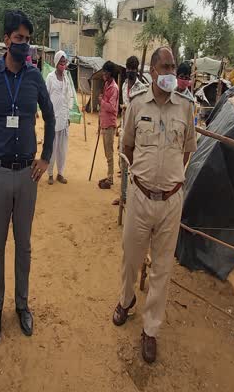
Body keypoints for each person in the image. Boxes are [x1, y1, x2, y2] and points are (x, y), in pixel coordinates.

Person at [0, 10, 56, 344]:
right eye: (18, 39)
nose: (23, 45)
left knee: (24, 245)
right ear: (5, 40)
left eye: (27, 39)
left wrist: (46, 157)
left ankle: (22, 305)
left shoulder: (34, 77)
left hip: (27, 175)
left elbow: (50, 117)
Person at [111, 46, 197, 364]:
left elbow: (187, 151)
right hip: (140, 197)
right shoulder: (136, 103)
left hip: (171, 200)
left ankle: (151, 329)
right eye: (166, 67)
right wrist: (145, 179)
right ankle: (127, 299)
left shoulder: (186, 107)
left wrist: (169, 180)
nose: (172, 73)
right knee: (131, 257)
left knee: (162, 267)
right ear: (152, 69)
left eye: (174, 67)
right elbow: (129, 147)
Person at [115, 56, 146, 206]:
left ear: (137, 70)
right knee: (123, 163)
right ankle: (123, 196)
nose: (130, 71)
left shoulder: (141, 89)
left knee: (134, 164)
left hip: (136, 133)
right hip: (124, 129)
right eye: (129, 69)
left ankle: (133, 198)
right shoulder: (124, 84)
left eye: (133, 69)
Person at [45, 50, 73, 185]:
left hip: (64, 118)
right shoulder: (50, 78)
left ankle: (60, 173)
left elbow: (69, 98)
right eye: (61, 62)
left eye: (64, 62)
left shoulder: (67, 78)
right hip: (53, 119)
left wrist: (68, 116)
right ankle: (50, 174)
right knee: (51, 148)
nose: (63, 65)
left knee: (62, 148)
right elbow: (45, 97)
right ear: (56, 63)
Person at [98, 61, 119, 190]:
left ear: (110, 73)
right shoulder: (107, 84)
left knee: (109, 152)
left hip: (110, 124)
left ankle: (110, 179)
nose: (103, 74)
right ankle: (109, 175)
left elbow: (112, 107)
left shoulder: (114, 88)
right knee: (107, 152)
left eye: (105, 72)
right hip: (104, 123)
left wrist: (101, 101)